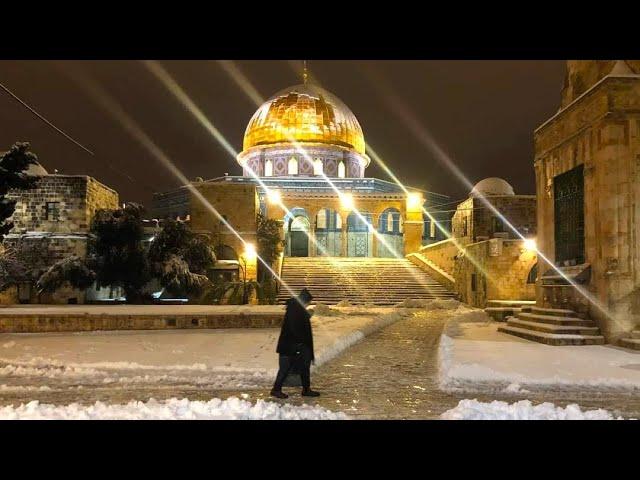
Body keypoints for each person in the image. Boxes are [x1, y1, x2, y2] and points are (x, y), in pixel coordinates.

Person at [270, 288, 320, 399]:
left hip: (299, 345)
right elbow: (295, 327)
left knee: (304, 367)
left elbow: (299, 322)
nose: (308, 304)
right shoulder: (294, 309)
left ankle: (306, 389)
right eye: (308, 302)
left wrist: (307, 315)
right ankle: (276, 389)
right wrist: (299, 344)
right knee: (284, 368)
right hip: (290, 346)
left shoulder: (298, 308)